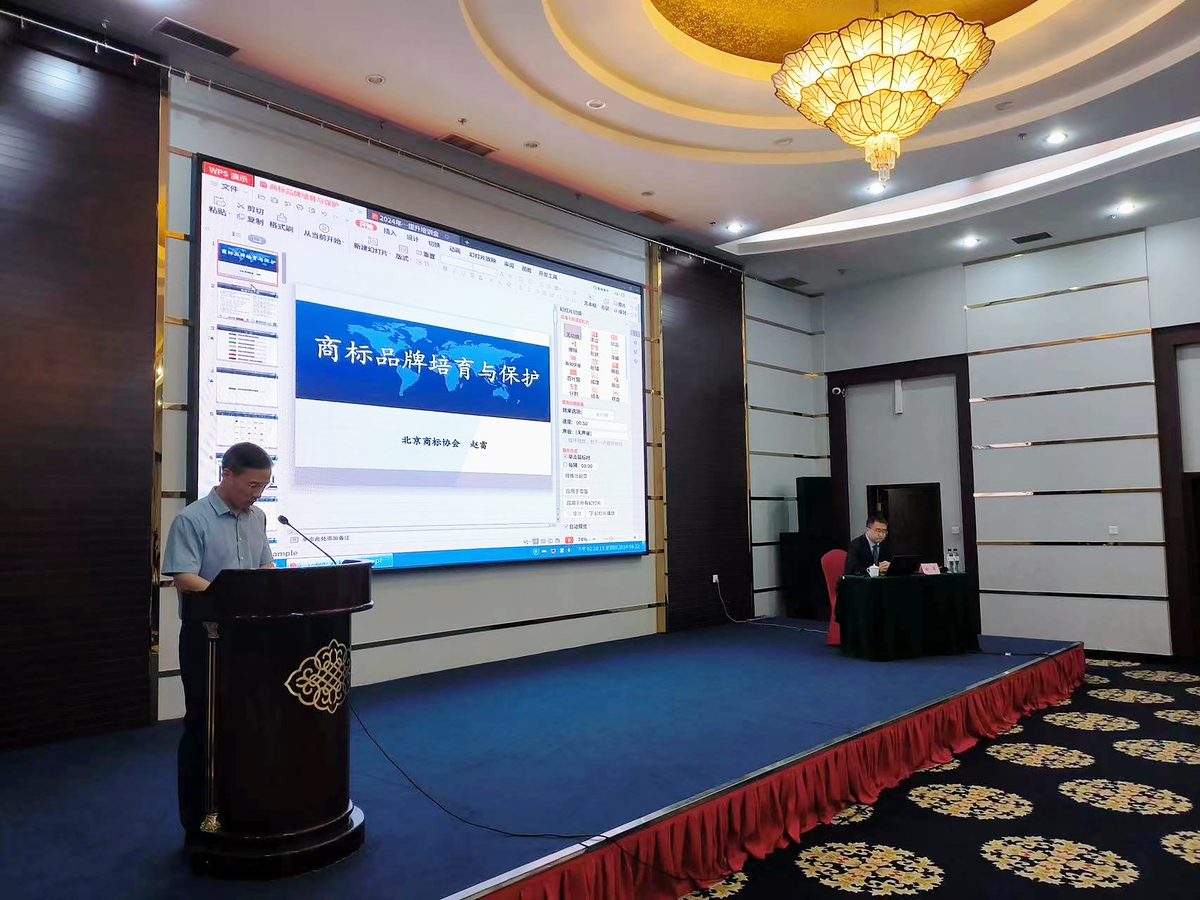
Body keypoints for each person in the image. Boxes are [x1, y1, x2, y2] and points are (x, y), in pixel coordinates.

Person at [162, 442, 276, 833]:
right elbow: (183, 577)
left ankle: (242, 802)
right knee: (204, 724)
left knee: (248, 722)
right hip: (206, 638)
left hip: (251, 637)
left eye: (264, 487)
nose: (257, 494)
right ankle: (198, 816)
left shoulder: (258, 518)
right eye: (252, 485)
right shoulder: (192, 519)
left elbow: (265, 566)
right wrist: (227, 599)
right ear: (227, 474)